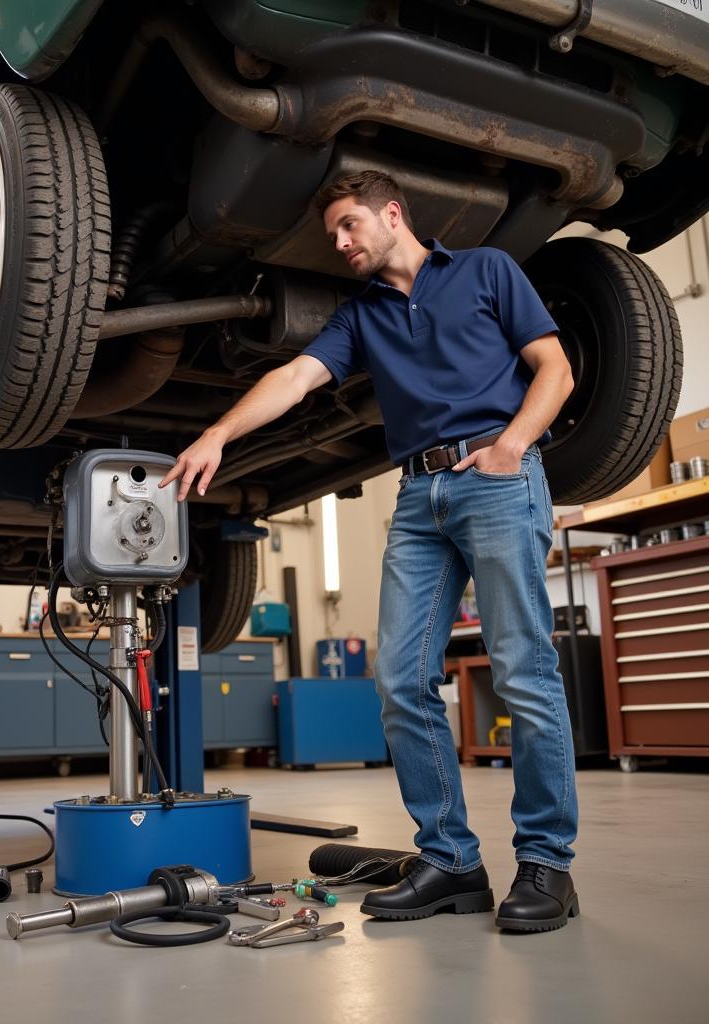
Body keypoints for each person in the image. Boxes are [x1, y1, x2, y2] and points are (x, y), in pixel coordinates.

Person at [160, 170, 581, 933]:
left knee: (522, 668)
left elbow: (554, 368)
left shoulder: (486, 270)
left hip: (494, 473)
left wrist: (513, 445)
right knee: (398, 679)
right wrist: (217, 433)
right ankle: (451, 861)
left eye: (351, 225)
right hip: (420, 497)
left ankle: (548, 864)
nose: (343, 243)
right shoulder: (364, 318)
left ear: (394, 213)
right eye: (335, 236)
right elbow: (294, 377)